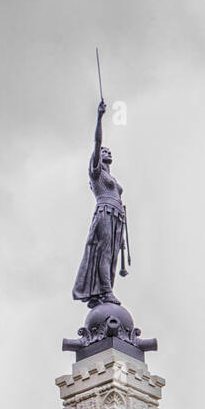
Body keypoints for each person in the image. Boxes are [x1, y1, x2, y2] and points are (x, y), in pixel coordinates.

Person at [72, 100, 129, 306]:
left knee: (112, 257)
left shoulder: (112, 179)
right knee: (104, 253)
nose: (107, 152)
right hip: (105, 212)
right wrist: (99, 117)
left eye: (108, 151)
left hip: (116, 216)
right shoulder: (96, 174)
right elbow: (97, 142)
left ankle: (103, 292)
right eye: (104, 151)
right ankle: (106, 291)